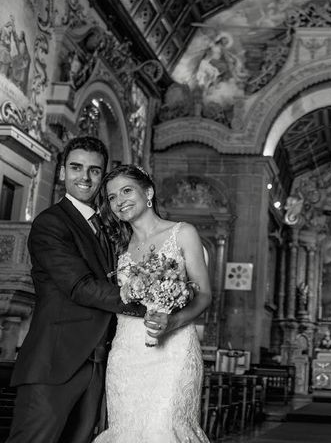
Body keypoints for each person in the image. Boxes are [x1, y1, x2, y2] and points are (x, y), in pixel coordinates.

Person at [8, 136, 145, 443]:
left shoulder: (108, 227)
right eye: (76, 167)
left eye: (94, 170)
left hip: (98, 364)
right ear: (61, 172)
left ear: (103, 176)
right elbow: (80, 287)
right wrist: (146, 302)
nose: (84, 177)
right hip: (55, 364)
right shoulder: (51, 224)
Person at [93, 164, 212, 442]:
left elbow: (204, 294)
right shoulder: (116, 246)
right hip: (126, 352)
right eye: (111, 197)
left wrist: (172, 322)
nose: (119, 201)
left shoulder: (183, 233)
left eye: (126, 191)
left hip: (173, 350)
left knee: (165, 429)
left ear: (148, 192)